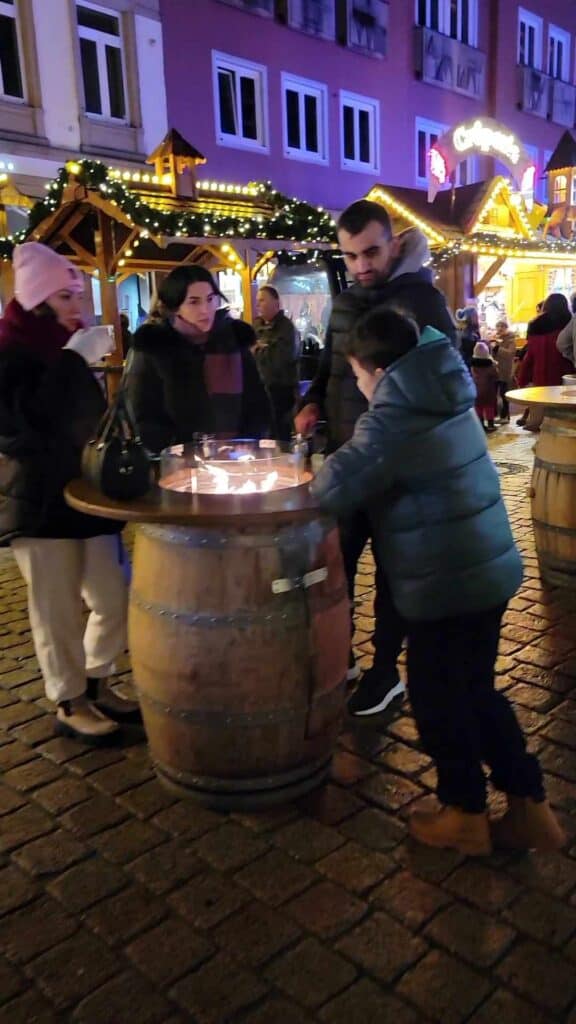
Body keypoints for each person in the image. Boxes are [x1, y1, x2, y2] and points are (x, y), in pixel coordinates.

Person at [310, 308, 565, 855]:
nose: (357, 385)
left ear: (377, 371)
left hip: (445, 580)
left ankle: (465, 813)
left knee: (436, 698)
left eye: (357, 374)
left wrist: (305, 475)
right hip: (485, 569)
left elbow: (332, 488)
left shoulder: (394, 415)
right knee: (476, 690)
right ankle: (530, 806)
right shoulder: (441, 382)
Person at [294, 199, 455, 716]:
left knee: (393, 575)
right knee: (332, 568)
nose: (361, 265)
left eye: (370, 252)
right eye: (350, 256)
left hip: (397, 470)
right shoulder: (344, 303)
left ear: (393, 243)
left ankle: (386, 672)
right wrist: (311, 399)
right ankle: (341, 658)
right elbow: (327, 366)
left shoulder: (422, 303)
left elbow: (447, 380)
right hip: (348, 459)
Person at [0, 242, 138, 744]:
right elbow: (24, 428)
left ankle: (98, 680)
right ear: (37, 300)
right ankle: (69, 699)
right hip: (38, 500)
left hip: (87, 495)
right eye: (64, 297)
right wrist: (71, 363)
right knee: (55, 608)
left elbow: (86, 422)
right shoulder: (11, 354)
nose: (76, 307)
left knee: (114, 593)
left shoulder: (69, 346)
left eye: (76, 295)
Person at [125, 266, 271, 453]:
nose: (205, 310)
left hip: (236, 461)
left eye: (210, 299)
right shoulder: (155, 346)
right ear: (175, 306)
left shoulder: (234, 340)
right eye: (194, 302)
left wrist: (249, 441)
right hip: (178, 467)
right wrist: (177, 451)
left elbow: (258, 403)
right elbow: (143, 414)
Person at [518, 292, 572, 432]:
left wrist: (522, 378)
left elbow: (530, 355)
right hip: (565, 380)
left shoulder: (535, 325)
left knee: (538, 423)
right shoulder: (570, 324)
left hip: (540, 380)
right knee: (562, 424)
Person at [253, 285, 299, 446]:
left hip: (281, 391)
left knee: (280, 436)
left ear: (276, 303)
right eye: (257, 301)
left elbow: (280, 359)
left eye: (262, 300)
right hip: (260, 390)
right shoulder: (256, 326)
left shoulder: (286, 328)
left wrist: (258, 350)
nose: (258, 304)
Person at [471, 341, 498, 432]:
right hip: (488, 390)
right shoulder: (490, 366)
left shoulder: (473, 365)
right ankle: (491, 424)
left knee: (478, 407)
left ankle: (481, 425)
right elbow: (496, 376)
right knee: (489, 407)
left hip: (476, 390)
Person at [493, 320, 517, 422]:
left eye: (502, 327)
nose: (499, 329)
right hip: (495, 370)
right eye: (498, 327)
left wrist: (498, 348)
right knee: (494, 393)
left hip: (505, 370)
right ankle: (495, 415)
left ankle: (505, 415)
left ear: (506, 328)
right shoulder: (496, 339)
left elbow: (510, 354)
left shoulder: (511, 340)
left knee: (504, 393)